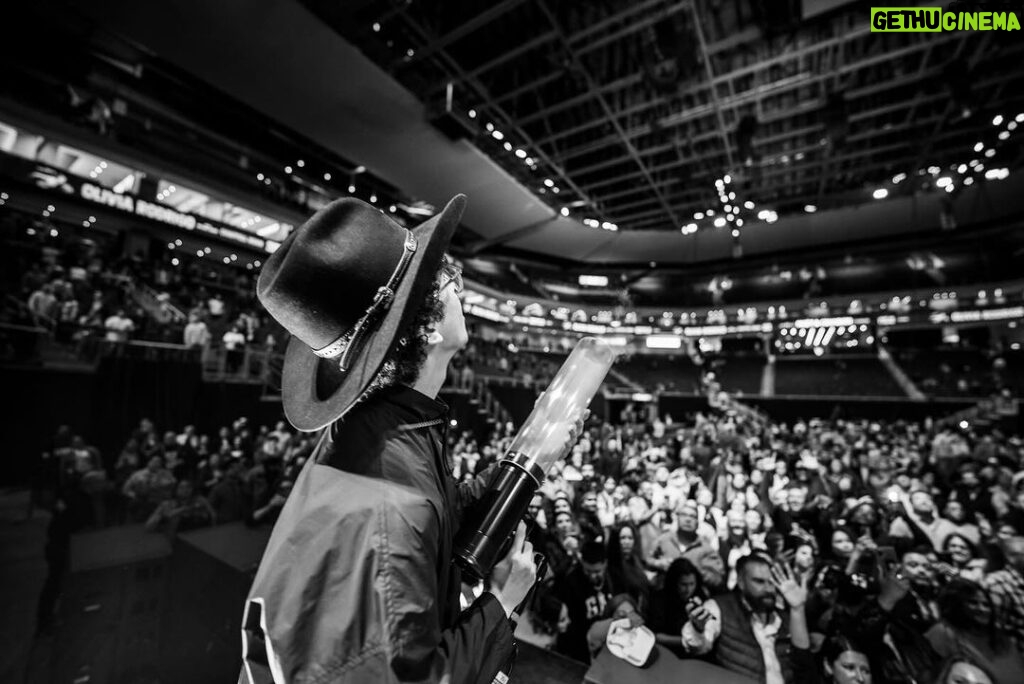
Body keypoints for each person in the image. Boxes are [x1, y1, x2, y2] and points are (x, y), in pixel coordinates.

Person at [240, 196, 575, 683]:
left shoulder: (386, 431)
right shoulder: (389, 509)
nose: (460, 288)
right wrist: (501, 603)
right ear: (431, 324)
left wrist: (536, 455)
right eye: (449, 281)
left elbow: (438, 511)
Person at [681, 554, 805, 683]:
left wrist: (798, 609)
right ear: (741, 582)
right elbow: (699, 647)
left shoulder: (783, 618)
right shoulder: (721, 607)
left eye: (771, 582)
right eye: (759, 581)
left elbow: (804, 665)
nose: (768, 589)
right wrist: (697, 628)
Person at [925, 579, 1024, 684]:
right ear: (955, 604)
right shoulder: (943, 633)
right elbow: (932, 676)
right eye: (973, 602)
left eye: (986, 604)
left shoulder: (1000, 637)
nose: (982, 609)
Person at [555, 540, 613, 663]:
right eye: (588, 571)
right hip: (581, 648)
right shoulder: (571, 582)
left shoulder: (613, 578)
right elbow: (570, 628)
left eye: (597, 571)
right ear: (582, 563)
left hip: (610, 643)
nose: (592, 576)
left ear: (605, 564)